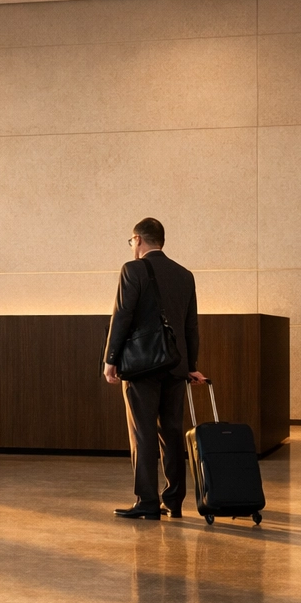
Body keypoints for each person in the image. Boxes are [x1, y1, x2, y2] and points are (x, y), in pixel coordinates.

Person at [102, 217, 204, 520]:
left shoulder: (132, 269)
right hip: (176, 366)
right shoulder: (184, 275)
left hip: (142, 366)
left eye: (132, 241)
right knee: (172, 433)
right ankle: (174, 501)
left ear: (138, 239)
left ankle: (147, 500)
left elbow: (122, 316)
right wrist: (191, 365)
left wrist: (110, 359)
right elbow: (191, 326)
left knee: (142, 433)